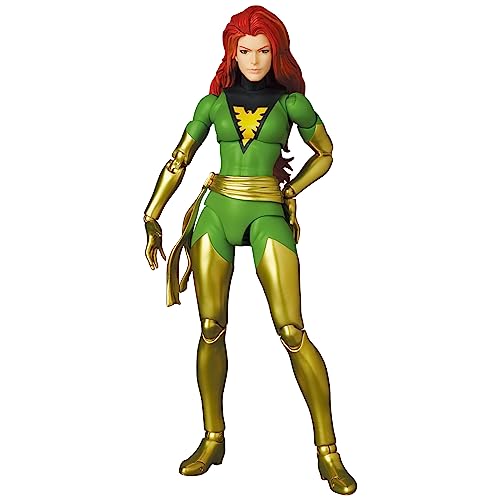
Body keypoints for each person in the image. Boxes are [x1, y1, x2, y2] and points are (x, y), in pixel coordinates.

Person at [143, 6, 357, 495]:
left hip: (266, 213)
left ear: (276, 52)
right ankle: (212, 438)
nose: (255, 59)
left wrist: (290, 191)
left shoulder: (292, 104)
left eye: (263, 50)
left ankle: (328, 450)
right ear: (232, 53)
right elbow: (178, 160)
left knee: (292, 330)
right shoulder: (211, 104)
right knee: (210, 327)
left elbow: (326, 152)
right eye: (245, 50)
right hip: (217, 211)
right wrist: (152, 214)